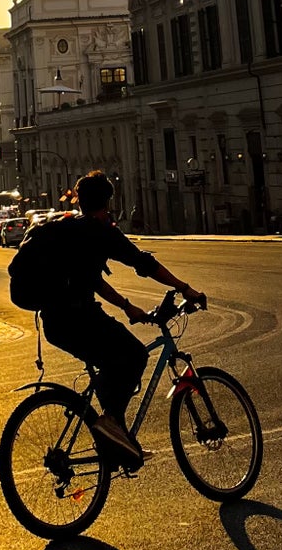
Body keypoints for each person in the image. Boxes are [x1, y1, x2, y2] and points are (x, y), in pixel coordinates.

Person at [35, 169, 206, 469]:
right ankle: (111, 425)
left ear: (81, 201)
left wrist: (127, 306)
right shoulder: (101, 230)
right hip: (78, 317)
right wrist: (184, 288)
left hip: (54, 320)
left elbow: (94, 281)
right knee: (136, 355)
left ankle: (115, 436)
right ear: (107, 201)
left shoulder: (72, 229)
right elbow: (143, 263)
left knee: (113, 362)